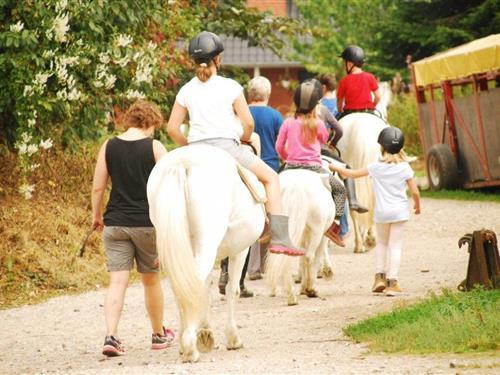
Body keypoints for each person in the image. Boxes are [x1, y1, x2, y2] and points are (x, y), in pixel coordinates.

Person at [166, 31, 304, 257]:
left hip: (196, 150)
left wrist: (188, 146)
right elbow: (248, 122)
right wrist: (246, 137)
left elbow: (172, 128)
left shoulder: (186, 90)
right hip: (227, 148)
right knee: (272, 178)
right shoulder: (230, 86)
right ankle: (279, 238)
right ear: (218, 59)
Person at [91, 100, 175, 356]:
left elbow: (98, 187)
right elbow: (170, 188)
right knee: (150, 282)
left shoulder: (109, 145)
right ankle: (159, 335)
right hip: (146, 225)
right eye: (154, 127)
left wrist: (97, 215)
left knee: (117, 282)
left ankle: (111, 337)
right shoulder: (155, 147)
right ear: (149, 122)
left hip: (115, 223)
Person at [329, 127, 421, 296]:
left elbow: (352, 174)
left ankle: (379, 277)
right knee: (395, 246)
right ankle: (392, 282)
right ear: (400, 148)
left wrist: (334, 166)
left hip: (382, 214)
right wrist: (417, 205)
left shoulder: (376, 167)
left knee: (382, 244)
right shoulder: (405, 168)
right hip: (399, 213)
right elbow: (415, 191)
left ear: (382, 148)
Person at [275, 79, 349, 247]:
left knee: (272, 191)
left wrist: (287, 157)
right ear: (315, 105)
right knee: (339, 190)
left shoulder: (287, 122)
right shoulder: (318, 124)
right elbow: (324, 139)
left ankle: (270, 227)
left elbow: (279, 146)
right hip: (315, 168)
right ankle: (334, 225)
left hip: (290, 166)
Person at [247, 76, 284, 279]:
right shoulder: (276, 116)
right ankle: (271, 265)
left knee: (251, 216)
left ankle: (252, 268)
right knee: (273, 217)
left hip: (246, 170)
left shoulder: (241, 113)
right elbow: (282, 145)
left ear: (249, 94)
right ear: (268, 95)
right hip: (270, 169)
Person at [336, 45, 381, 120]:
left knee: (335, 129)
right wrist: (372, 106)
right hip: (367, 111)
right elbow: (378, 96)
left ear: (350, 64)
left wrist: (340, 112)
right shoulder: (370, 77)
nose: (344, 66)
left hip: (349, 113)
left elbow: (339, 102)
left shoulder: (344, 81)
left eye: (344, 63)